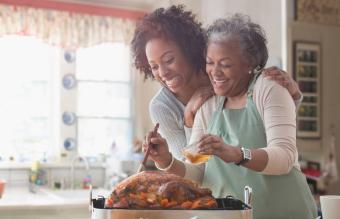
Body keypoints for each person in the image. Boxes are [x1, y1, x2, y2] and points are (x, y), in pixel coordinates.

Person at [143, 13, 317, 219]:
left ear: (250, 64)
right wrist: (167, 161)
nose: (214, 73)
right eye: (210, 62)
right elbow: (197, 173)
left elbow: (284, 157)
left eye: (225, 64)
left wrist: (237, 154)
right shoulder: (208, 104)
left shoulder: (269, 88)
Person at [132, 5, 302, 161]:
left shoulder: (223, 79)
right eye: (154, 66)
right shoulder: (162, 107)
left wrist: (292, 96)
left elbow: (273, 128)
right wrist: (189, 119)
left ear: (189, 50)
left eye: (169, 60)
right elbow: (189, 166)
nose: (162, 73)